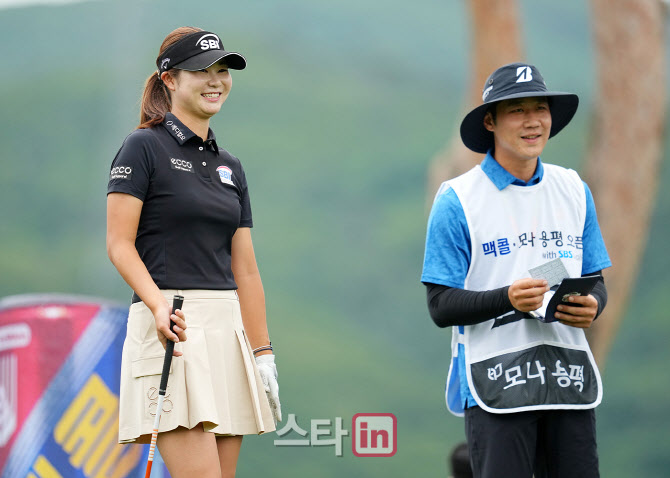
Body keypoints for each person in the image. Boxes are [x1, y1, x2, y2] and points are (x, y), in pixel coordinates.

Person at [106, 26, 281, 478]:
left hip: (227, 329)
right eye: (202, 71)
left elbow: (246, 270)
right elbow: (119, 244)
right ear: (169, 79)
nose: (215, 80)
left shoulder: (230, 166)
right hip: (173, 324)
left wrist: (262, 353)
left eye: (222, 71)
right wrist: (157, 305)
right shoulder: (143, 147)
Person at [421, 63, 611, 478]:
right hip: (497, 382)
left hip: (565, 376)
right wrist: (507, 298)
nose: (532, 121)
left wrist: (593, 304)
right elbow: (440, 305)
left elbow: (595, 279)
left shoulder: (573, 189)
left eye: (540, 108)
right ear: (490, 122)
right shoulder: (458, 199)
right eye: (517, 110)